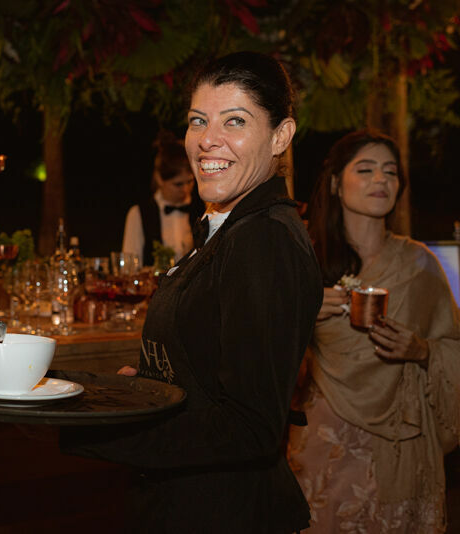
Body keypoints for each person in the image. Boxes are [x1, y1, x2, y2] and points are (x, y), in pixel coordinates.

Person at [62, 51, 322, 532]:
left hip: (223, 512)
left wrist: (94, 428)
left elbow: (250, 428)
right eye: (198, 121)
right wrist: (145, 389)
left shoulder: (263, 239)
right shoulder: (227, 229)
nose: (207, 141)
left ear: (281, 136)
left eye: (235, 121)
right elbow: (207, 370)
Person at [287, 130, 460, 532]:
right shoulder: (302, 261)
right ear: (335, 182)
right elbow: (255, 351)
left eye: (390, 172)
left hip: (401, 446)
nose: (380, 180)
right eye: (365, 169)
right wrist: (304, 313)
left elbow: (453, 345)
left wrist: (421, 351)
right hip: (322, 440)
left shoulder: (419, 265)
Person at [121, 131, 205, 266]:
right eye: (178, 184)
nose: (185, 189)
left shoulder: (204, 209)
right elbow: (130, 267)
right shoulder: (138, 214)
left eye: (190, 182)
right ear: (160, 179)